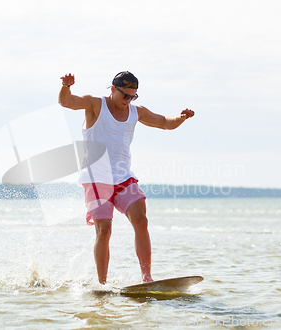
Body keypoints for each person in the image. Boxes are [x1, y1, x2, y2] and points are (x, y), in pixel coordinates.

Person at [58, 71, 194, 284]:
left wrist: (182, 117)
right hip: (96, 178)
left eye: (133, 96)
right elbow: (67, 102)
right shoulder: (96, 105)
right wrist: (66, 86)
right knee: (104, 230)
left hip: (123, 177)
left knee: (141, 220)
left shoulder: (135, 112)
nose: (128, 101)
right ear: (112, 89)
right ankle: (102, 284)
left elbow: (165, 122)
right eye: (125, 96)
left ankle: (147, 278)